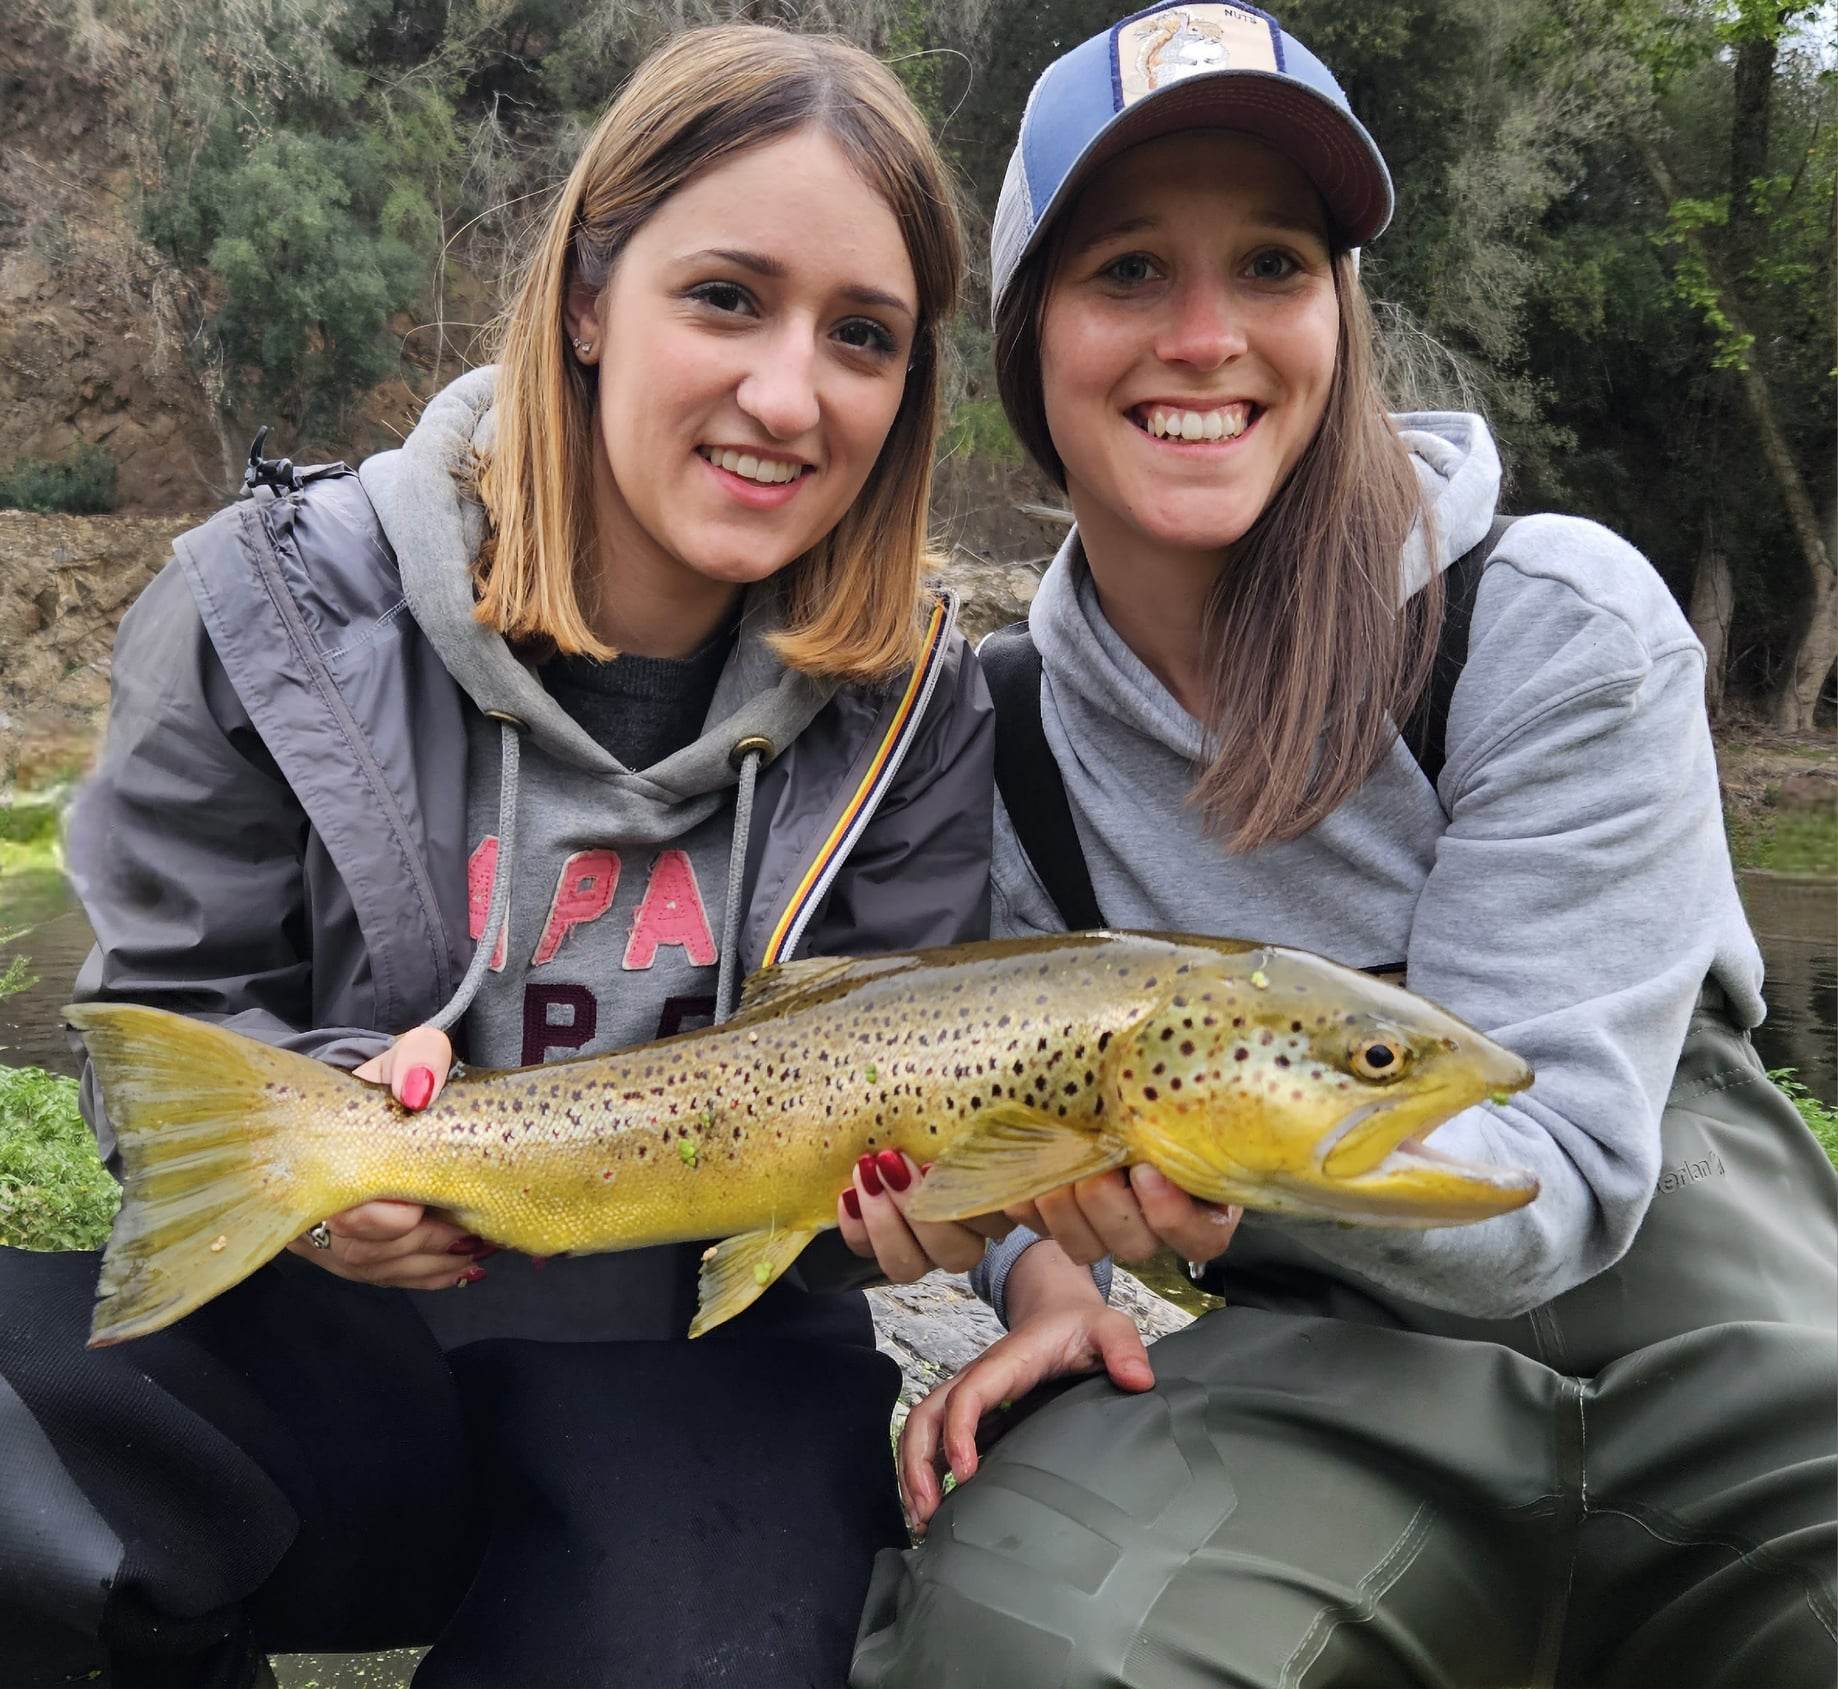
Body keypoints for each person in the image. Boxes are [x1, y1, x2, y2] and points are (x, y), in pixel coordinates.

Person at [0, 25, 1000, 1689]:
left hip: (698, 1378)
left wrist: (918, 1215)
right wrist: (321, 1157)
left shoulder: (915, 704)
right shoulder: (265, 611)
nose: (785, 392)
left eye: (864, 336)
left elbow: (870, 1157)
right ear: (590, 298)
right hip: (316, 1358)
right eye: (727, 297)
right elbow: (162, 1039)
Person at [849, 6, 1838, 1686]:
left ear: (1340, 314)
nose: (1207, 337)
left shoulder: (1542, 624)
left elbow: (1568, 1183)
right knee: (1023, 1642)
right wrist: (1029, 1265)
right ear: (1025, 344)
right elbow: (984, 1131)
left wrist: (1228, 1156)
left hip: (1730, 1365)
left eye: (1274, 265)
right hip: (1336, 1403)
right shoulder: (990, 735)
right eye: (1128, 273)